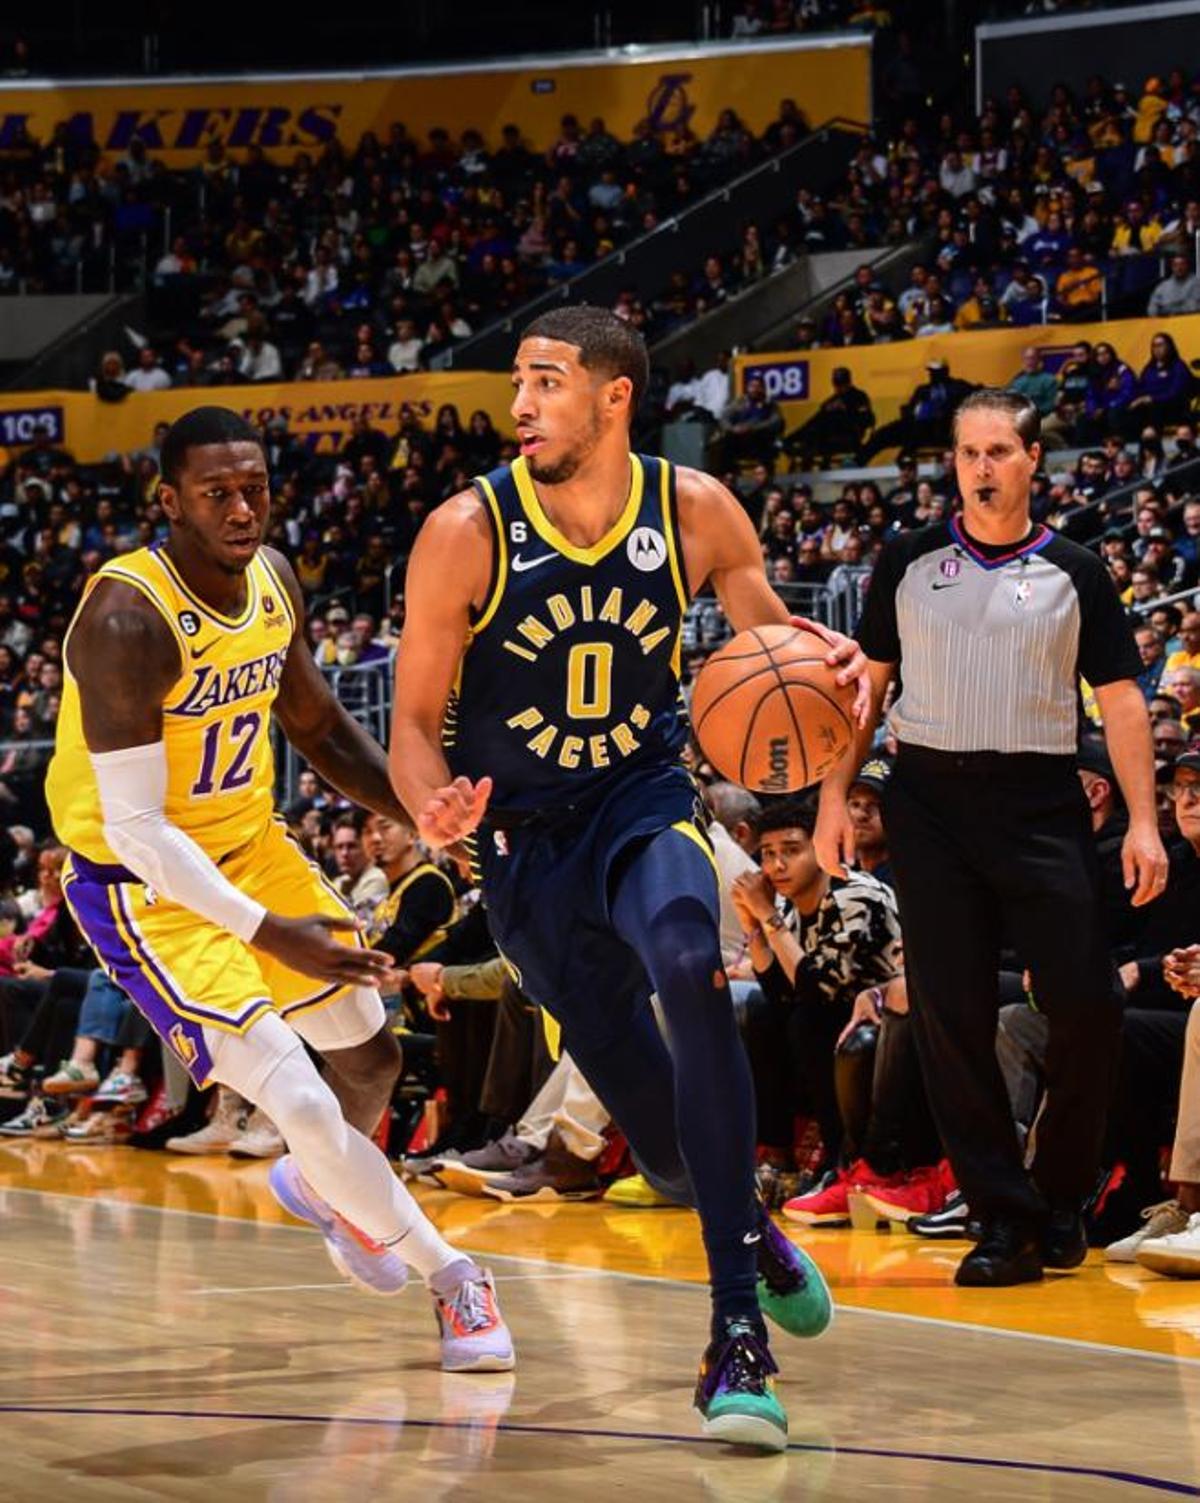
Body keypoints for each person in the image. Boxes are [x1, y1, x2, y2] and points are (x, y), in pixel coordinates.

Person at [389, 306, 870, 1452]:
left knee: (693, 965)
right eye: (517, 383)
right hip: (523, 847)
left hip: (643, 801)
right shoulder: (464, 530)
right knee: (655, 1149)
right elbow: (411, 723)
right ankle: (750, 1230)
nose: (520, 406)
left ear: (615, 397)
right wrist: (428, 801)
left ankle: (734, 1331)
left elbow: (782, 663)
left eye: (546, 383)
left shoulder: (696, 510)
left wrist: (833, 671)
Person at [44, 405, 513, 1372]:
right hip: (143, 884)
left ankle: (335, 1186)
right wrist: (277, 933)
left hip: (248, 844)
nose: (242, 507)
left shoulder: (273, 578)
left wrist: (421, 807)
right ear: (168, 501)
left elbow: (321, 726)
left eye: (254, 486)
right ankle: (453, 1277)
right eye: (216, 492)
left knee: (372, 1060)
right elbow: (137, 829)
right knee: (297, 1093)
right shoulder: (128, 617)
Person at [817, 388, 1167, 1288]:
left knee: (1090, 1002)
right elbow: (868, 694)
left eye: (999, 451)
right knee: (951, 1013)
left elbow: (1124, 702)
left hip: (1040, 797)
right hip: (929, 799)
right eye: (968, 452)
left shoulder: (1079, 571)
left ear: (1032, 461)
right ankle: (1003, 1216)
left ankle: (1058, 1191)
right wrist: (831, 798)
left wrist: (1142, 820)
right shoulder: (907, 558)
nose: (981, 467)